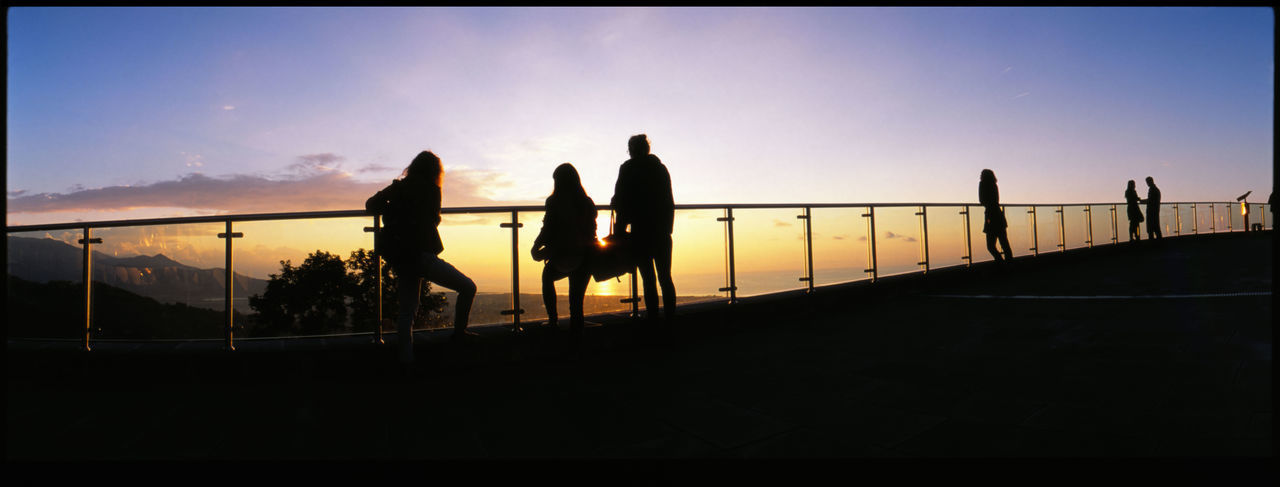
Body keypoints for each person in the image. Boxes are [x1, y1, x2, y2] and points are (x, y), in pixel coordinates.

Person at [366, 150, 478, 365]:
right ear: (435, 172)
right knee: (468, 287)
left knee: (407, 312)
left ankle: (405, 361)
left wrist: (393, 212)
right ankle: (459, 334)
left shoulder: (398, 188)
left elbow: (371, 204)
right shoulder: (432, 190)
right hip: (421, 255)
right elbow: (434, 220)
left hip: (401, 257)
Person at [611, 134, 676, 324]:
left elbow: (621, 202)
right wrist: (667, 228)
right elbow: (668, 201)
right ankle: (670, 320)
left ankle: (653, 320)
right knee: (665, 277)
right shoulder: (660, 168)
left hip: (640, 233)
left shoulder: (628, 169)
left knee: (648, 279)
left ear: (631, 150)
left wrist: (619, 233)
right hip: (662, 232)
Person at [531, 163, 598, 345]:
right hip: (586, 256)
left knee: (547, 278)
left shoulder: (554, 202)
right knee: (576, 302)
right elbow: (592, 230)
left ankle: (553, 321)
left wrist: (536, 247)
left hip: (562, 255)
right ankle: (577, 341)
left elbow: (548, 229)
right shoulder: (587, 202)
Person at [979, 169, 1014, 265]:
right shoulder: (994, 185)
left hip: (990, 216)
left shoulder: (982, 184)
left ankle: (1001, 263)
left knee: (990, 246)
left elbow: (982, 200)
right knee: (1004, 243)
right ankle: (1009, 264)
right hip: (999, 215)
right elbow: (996, 200)